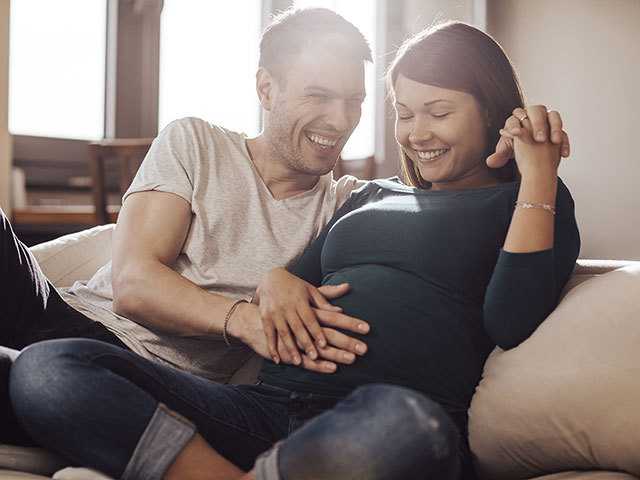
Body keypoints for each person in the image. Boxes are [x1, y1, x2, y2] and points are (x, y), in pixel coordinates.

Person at [8, 20, 579, 480]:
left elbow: (512, 318)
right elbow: (283, 280)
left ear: (491, 110)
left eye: (440, 112)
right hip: (263, 406)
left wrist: (537, 176)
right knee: (50, 369)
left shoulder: (531, 202)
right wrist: (273, 284)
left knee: (410, 427)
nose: (416, 133)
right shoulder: (371, 196)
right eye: (405, 113)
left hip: (374, 411)